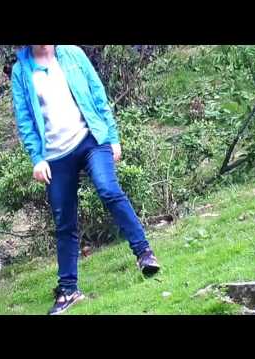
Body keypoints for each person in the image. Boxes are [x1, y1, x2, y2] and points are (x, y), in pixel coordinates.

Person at [11, 45, 160, 315]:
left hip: (90, 140)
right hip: (55, 156)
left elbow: (97, 93)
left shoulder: (72, 54)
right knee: (64, 222)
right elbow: (25, 120)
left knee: (108, 189)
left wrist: (112, 137)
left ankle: (144, 253)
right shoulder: (21, 71)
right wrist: (37, 158)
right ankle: (69, 291)